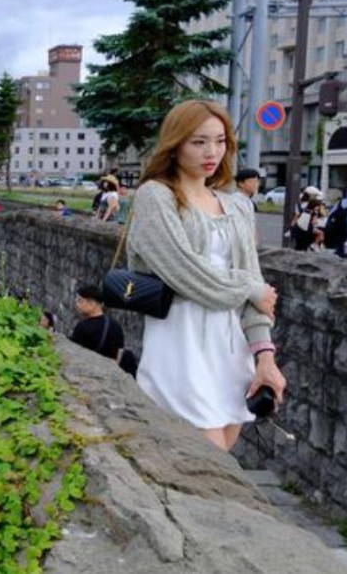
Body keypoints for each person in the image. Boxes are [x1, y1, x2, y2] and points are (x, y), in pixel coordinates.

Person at [126, 99, 284, 452]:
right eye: (198, 142)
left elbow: (253, 284)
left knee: (222, 454)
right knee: (209, 457)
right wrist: (250, 288)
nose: (211, 152)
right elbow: (187, 274)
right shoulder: (156, 197)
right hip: (180, 350)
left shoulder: (235, 205)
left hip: (230, 351)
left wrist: (266, 357)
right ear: (175, 143)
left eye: (220, 140)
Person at [69, 285, 124, 362]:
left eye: (80, 301)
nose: (77, 304)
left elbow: (74, 353)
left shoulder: (83, 327)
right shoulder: (116, 326)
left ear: (92, 303)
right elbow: (119, 353)